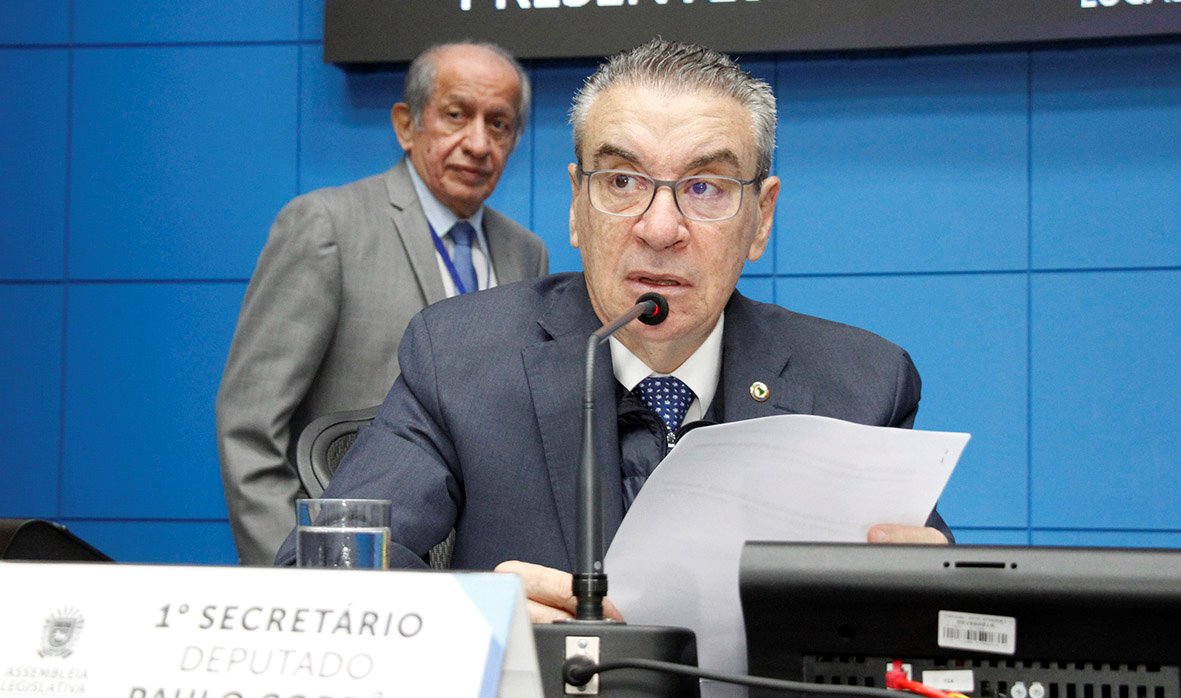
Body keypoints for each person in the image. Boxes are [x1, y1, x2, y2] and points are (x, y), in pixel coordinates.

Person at [274, 39, 949, 619]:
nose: (660, 228)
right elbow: (321, 576)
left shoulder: (859, 386)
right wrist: (478, 619)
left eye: (705, 188)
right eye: (622, 181)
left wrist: (929, 598)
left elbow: (941, 625)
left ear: (760, 218)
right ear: (577, 205)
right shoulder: (459, 359)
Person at [217, 41, 548, 565]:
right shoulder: (327, 226)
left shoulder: (526, 253)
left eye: (499, 123)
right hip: (349, 569)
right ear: (405, 125)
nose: (478, 143)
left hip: (481, 578)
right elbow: (250, 427)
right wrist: (300, 579)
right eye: (456, 115)